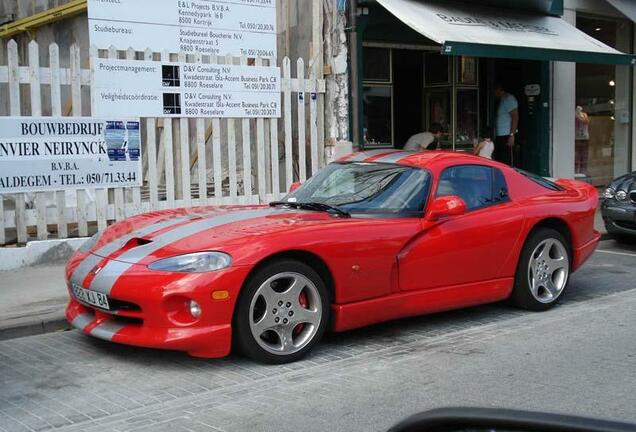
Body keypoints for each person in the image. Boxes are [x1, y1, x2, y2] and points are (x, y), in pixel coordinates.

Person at [494, 84, 519, 166]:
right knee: (501, 161)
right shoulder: (501, 100)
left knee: (507, 161)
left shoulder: (508, 99)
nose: (494, 94)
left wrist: (512, 135)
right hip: (500, 136)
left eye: (495, 91)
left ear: (499, 89)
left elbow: (515, 117)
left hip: (507, 136)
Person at [575, 106, 590, 174]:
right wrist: (577, 115)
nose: (579, 109)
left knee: (584, 154)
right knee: (577, 154)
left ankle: (583, 170)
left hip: (585, 137)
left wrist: (579, 116)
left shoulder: (584, 114)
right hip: (577, 137)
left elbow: (586, 121)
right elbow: (579, 120)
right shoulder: (574, 114)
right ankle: (576, 170)